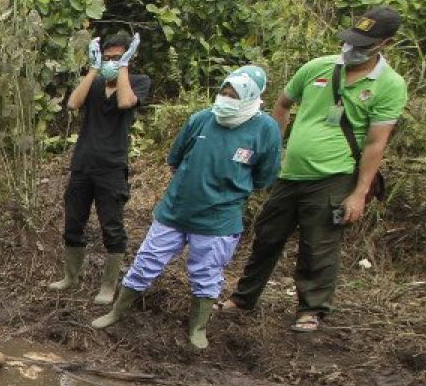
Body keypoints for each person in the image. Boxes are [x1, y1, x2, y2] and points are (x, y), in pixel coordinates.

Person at [219, 7, 408, 332]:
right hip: (291, 173)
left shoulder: (389, 85)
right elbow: (282, 104)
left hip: (334, 177)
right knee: (267, 235)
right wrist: (272, 151)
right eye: (352, 40)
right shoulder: (317, 68)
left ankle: (311, 309)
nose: (353, 48)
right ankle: (243, 298)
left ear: (386, 44)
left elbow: (377, 144)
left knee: (318, 245)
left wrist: (359, 193)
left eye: (364, 44)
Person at [91, 66, 282, 349]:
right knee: (145, 262)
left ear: (252, 97)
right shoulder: (202, 120)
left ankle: (197, 327)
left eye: (234, 95)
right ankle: (117, 311)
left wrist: (224, 190)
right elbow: (175, 159)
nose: (226, 98)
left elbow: (264, 177)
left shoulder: (265, 129)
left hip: (219, 219)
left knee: (206, 273)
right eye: (224, 92)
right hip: (176, 210)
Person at [49, 31, 151, 304]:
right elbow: (72, 103)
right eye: (107, 58)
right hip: (83, 164)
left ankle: (108, 286)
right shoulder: (93, 84)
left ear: (129, 58)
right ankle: (71, 276)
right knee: (73, 223)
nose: (111, 62)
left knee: (112, 228)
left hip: (112, 167)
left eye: (117, 58)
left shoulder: (138, 82)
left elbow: (125, 102)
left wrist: (123, 69)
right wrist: (94, 69)